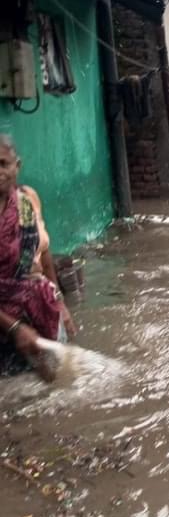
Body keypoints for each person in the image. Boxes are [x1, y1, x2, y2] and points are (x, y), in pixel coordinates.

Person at [0, 134, 75, 377]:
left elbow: (43, 255)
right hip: (6, 321)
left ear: (17, 166)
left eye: (3, 164)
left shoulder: (26, 200)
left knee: (54, 385)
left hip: (37, 309)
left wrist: (60, 303)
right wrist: (14, 328)